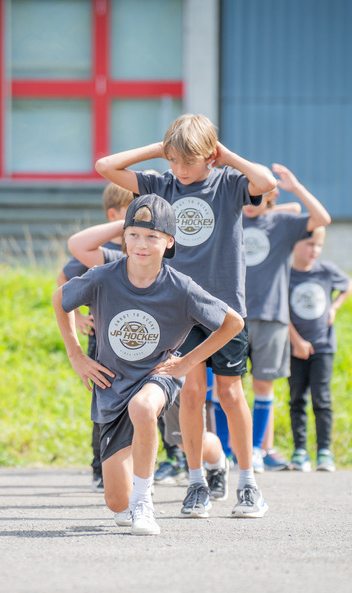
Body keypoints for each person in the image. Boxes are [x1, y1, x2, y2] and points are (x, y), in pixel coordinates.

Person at [95, 113, 277, 519]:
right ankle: (197, 481)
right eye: (173, 161)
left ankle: (248, 482)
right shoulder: (162, 185)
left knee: (230, 394)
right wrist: (160, 150)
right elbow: (106, 167)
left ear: (210, 156)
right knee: (191, 395)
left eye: (186, 161)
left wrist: (228, 158)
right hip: (179, 313)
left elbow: (265, 183)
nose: (178, 170)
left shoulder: (228, 183)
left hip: (225, 309)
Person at [54, 194, 243, 535]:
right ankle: (130, 499)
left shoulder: (181, 288)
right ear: (124, 236)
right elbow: (60, 297)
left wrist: (186, 363)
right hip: (112, 386)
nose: (142, 244)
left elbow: (233, 323)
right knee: (115, 503)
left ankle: (145, 503)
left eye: (152, 237)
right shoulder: (102, 277)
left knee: (144, 408)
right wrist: (76, 355)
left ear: (169, 241)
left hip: (159, 377)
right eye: (135, 235)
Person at [215, 163, 331, 472]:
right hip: (231, 317)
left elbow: (322, 219)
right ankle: (226, 452)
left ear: (270, 196)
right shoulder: (231, 220)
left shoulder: (282, 223)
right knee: (224, 387)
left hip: (271, 317)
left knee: (264, 386)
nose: (249, 204)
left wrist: (295, 189)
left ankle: (253, 450)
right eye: (246, 196)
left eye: (258, 197)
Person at [56, 183, 133, 492]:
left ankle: (160, 462)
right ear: (114, 215)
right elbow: (64, 280)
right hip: (102, 341)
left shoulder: (143, 251)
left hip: (138, 340)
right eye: (133, 210)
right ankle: (100, 467)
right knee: (105, 404)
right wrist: (76, 315)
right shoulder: (102, 254)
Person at [286, 227, 352, 472]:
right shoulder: (285, 274)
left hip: (324, 346)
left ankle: (324, 451)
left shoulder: (326, 271)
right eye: (309, 245)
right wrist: (296, 341)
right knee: (296, 399)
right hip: (295, 349)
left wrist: (334, 307)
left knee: (322, 399)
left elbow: (349, 285)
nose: (314, 250)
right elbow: (281, 312)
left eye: (318, 245)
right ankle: (300, 451)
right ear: (295, 244)